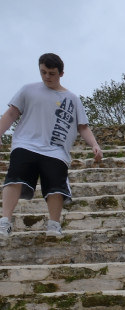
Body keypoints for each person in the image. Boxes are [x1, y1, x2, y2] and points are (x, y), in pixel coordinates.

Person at [0, 52, 103, 238]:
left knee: (56, 187)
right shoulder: (28, 90)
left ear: (61, 74)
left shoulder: (73, 99)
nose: (47, 77)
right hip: (26, 144)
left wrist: (95, 145)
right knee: (14, 179)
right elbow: (10, 114)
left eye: (52, 73)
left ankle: (54, 225)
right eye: (43, 72)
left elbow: (83, 127)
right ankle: (5, 222)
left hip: (56, 151)